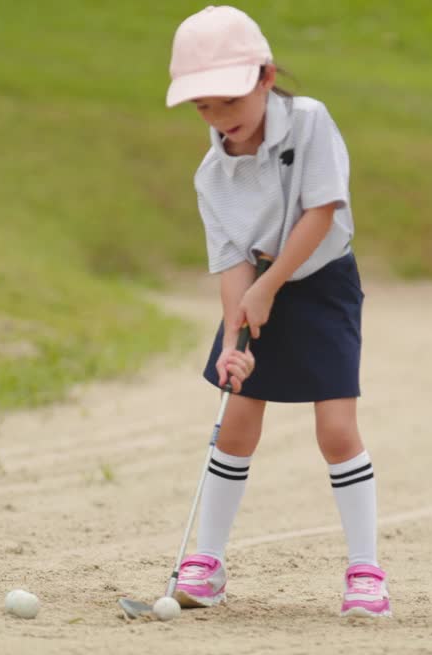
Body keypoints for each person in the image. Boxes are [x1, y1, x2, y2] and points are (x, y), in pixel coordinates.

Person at [164, 5, 389, 618]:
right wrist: (235, 332)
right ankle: (206, 564)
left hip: (322, 285)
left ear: (264, 78)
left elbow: (322, 211)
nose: (220, 121)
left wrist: (269, 288)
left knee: (336, 431)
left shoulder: (311, 121)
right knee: (235, 421)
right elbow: (232, 263)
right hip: (256, 290)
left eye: (229, 104)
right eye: (204, 109)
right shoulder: (213, 175)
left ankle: (366, 571)